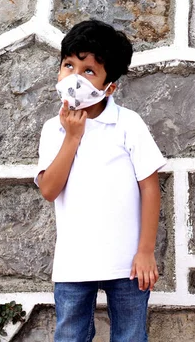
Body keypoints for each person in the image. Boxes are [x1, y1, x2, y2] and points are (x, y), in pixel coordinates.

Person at [35, 19, 166, 342]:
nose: (75, 78)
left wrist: (146, 251)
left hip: (128, 264)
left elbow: (149, 186)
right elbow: (50, 190)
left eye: (89, 71)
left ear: (110, 86)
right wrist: (72, 137)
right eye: (69, 65)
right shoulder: (54, 129)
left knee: (131, 336)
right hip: (74, 263)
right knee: (70, 335)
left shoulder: (127, 124)